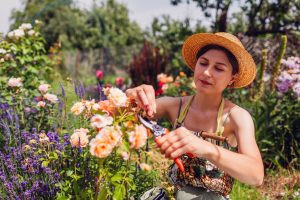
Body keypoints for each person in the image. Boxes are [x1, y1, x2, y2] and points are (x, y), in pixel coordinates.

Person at [126, 32, 264, 200]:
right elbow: (130, 115)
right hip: (172, 194)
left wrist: (205, 148)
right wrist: (135, 96)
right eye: (203, 63)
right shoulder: (175, 106)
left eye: (219, 68)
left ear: (232, 78)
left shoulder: (236, 117)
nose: (206, 72)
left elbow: (256, 175)